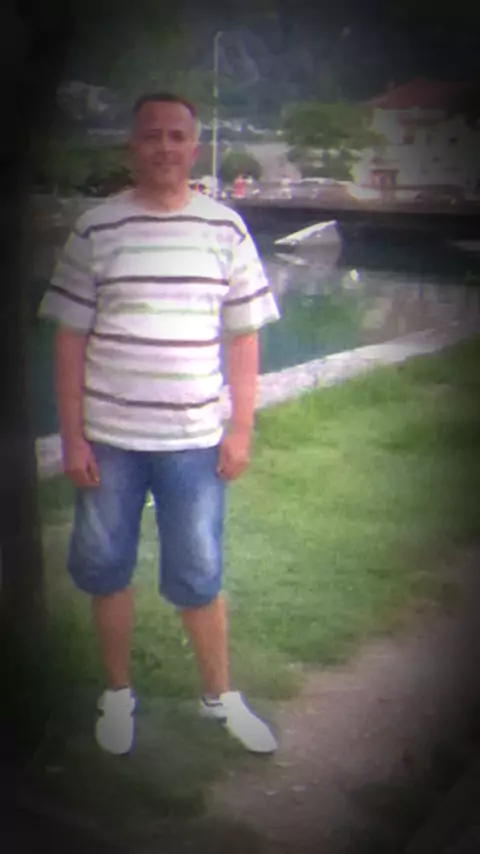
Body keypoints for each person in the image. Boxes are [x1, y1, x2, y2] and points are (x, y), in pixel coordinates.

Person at [38, 92, 280, 756]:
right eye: (152, 135)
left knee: (200, 573)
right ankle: (118, 695)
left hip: (194, 443)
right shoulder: (96, 228)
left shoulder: (226, 229)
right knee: (105, 568)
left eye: (177, 136)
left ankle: (218, 698)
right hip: (109, 441)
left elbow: (244, 339)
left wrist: (240, 430)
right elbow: (69, 339)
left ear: (194, 147)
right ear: (132, 146)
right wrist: (73, 437)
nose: (165, 147)